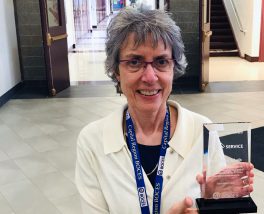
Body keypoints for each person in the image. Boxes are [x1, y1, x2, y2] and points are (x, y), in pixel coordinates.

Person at [75, 9, 254, 214]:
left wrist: (215, 203)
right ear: (116, 71)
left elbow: (221, 209)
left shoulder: (202, 131)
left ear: (173, 68)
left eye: (161, 61)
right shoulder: (92, 141)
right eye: (134, 62)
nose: (150, 77)